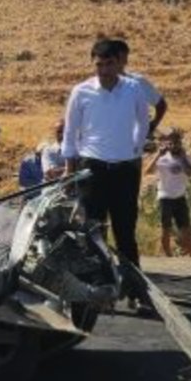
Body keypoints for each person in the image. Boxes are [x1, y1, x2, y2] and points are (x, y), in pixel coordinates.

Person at [62, 39, 150, 270]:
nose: (104, 70)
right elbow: (70, 132)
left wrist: (136, 148)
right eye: (98, 65)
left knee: (125, 231)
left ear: (118, 63)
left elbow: (143, 120)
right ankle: (95, 291)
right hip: (92, 167)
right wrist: (69, 172)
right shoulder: (81, 92)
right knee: (92, 231)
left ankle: (136, 293)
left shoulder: (133, 89)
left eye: (109, 64)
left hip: (124, 168)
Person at [145, 129, 191, 256]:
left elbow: (190, 172)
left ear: (180, 143)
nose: (173, 146)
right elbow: (147, 171)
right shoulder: (162, 159)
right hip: (165, 196)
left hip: (180, 196)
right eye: (170, 144)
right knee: (166, 227)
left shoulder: (186, 158)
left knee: (185, 227)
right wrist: (158, 155)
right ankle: (168, 254)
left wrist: (183, 158)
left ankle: (189, 253)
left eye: (176, 143)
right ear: (166, 145)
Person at [113, 39, 168, 136]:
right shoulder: (94, 87)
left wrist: (152, 125)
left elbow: (161, 104)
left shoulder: (138, 82)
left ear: (125, 59)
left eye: (119, 58)